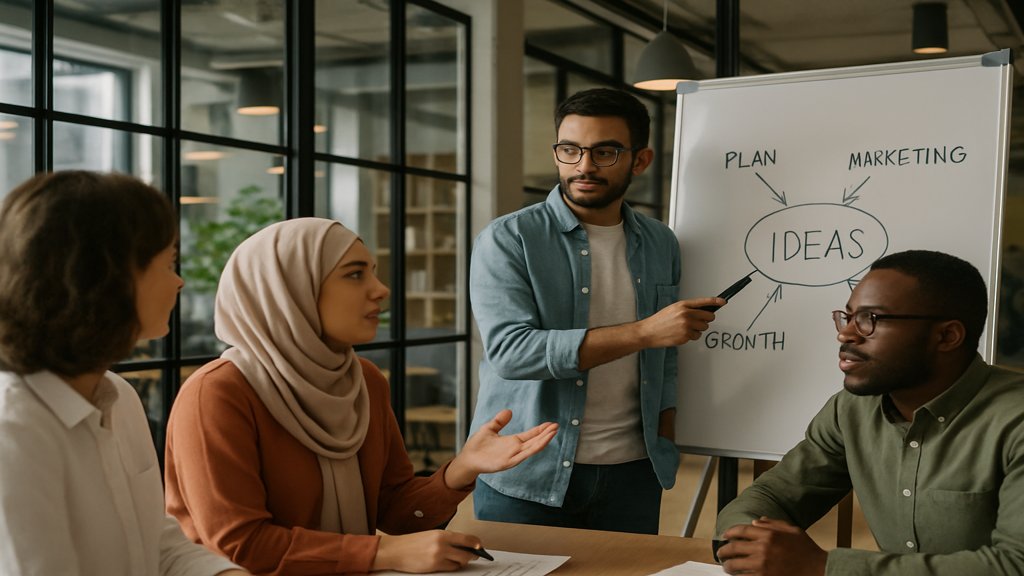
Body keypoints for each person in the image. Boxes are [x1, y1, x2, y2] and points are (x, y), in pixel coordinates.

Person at [164, 217, 559, 575]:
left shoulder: (364, 380)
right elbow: (241, 545)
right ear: (290, 291)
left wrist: (463, 468)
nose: (380, 290)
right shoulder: (218, 393)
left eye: (373, 273)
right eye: (355, 275)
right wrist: (383, 554)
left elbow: (394, 512)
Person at [468, 87, 724, 534]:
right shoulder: (509, 238)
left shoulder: (661, 242)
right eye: (570, 150)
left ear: (639, 161)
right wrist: (644, 332)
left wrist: (663, 432)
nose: (583, 166)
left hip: (633, 473)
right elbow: (511, 353)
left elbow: (667, 357)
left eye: (604, 152)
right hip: (528, 473)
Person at [715, 249, 1024, 576]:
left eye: (871, 319)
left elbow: (1015, 565)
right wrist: (746, 539)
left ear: (947, 336)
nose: (845, 334)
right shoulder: (851, 410)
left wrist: (823, 567)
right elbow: (771, 496)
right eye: (848, 317)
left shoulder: (1013, 420)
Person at [0, 171, 246, 576]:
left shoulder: (117, 396)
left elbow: (157, 545)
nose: (179, 281)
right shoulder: (16, 429)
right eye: (167, 263)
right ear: (103, 276)